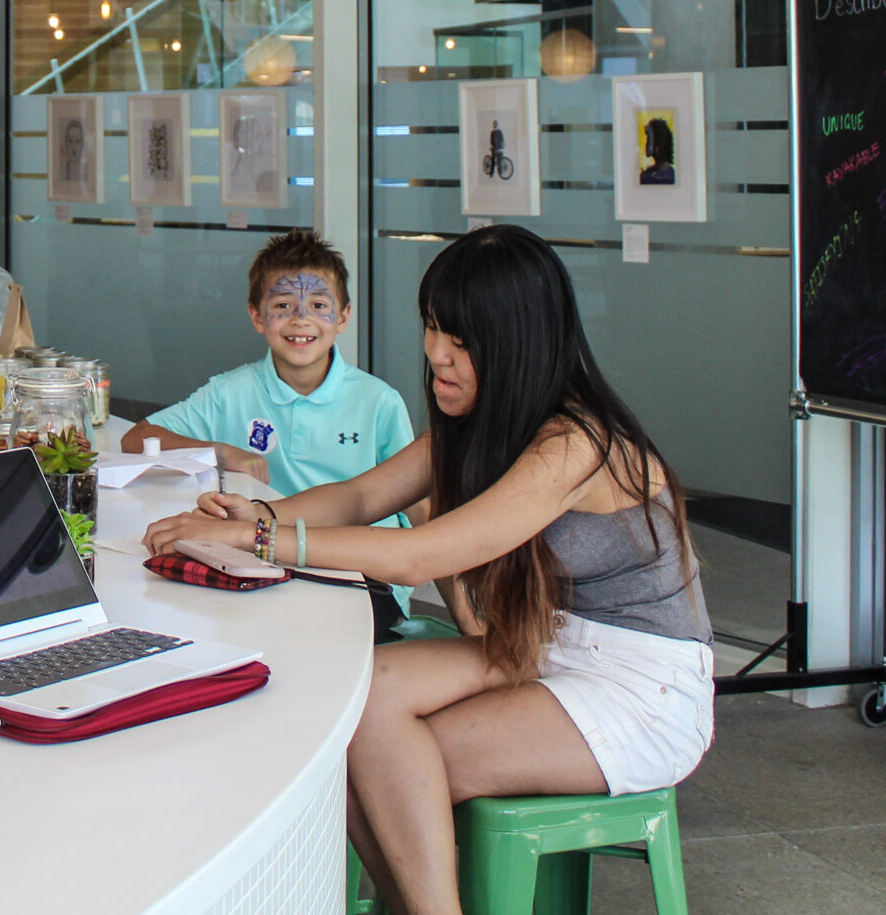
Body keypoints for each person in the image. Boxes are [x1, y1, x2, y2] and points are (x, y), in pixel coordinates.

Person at [144, 225, 711, 915]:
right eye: (434, 327)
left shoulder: (575, 443)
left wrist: (255, 538)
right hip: (549, 644)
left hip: (640, 684)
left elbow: (420, 552)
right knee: (351, 711)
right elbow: (361, 495)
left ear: (517, 341)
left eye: (461, 339)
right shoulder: (479, 418)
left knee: (381, 760)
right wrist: (259, 515)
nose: (435, 353)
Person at [120, 230, 413, 493]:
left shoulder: (379, 402)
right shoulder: (228, 394)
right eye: (283, 305)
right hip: (265, 547)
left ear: (343, 317)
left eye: (319, 306)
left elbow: (416, 503)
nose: (301, 319)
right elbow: (136, 439)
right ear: (257, 316)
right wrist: (220, 452)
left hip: (358, 547)